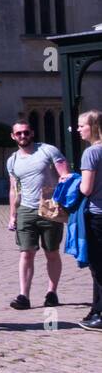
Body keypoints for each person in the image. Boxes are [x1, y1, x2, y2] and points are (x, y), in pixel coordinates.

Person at [5, 118, 70, 310]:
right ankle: (23, 296)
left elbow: (65, 176)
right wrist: (12, 215)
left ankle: (52, 292)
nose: (23, 136)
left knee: (52, 252)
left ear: (32, 133)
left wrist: (61, 200)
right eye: (19, 133)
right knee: (26, 253)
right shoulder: (12, 160)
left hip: (50, 208)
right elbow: (13, 189)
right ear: (13, 136)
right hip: (26, 210)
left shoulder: (48, 150)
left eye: (26, 132)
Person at [75, 109, 102, 332]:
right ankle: (96, 310)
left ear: (93, 127)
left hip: (97, 215)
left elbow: (86, 188)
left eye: (82, 125)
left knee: (98, 266)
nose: (78, 129)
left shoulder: (91, 153)